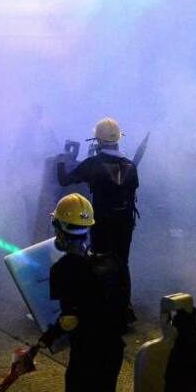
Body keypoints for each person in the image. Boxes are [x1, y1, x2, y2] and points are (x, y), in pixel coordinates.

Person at [33, 192, 128, 392]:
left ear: (59, 230)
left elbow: (70, 318)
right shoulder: (113, 261)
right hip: (113, 349)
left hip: (88, 353)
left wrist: (48, 336)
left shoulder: (64, 270)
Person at [56, 117, 139, 324]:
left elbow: (64, 180)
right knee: (122, 263)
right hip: (125, 222)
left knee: (99, 260)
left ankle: (102, 306)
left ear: (98, 141)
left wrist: (60, 161)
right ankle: (124, 307)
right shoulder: (130, 165)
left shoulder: (93, 164)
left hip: (102, 221)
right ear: (118, 139)